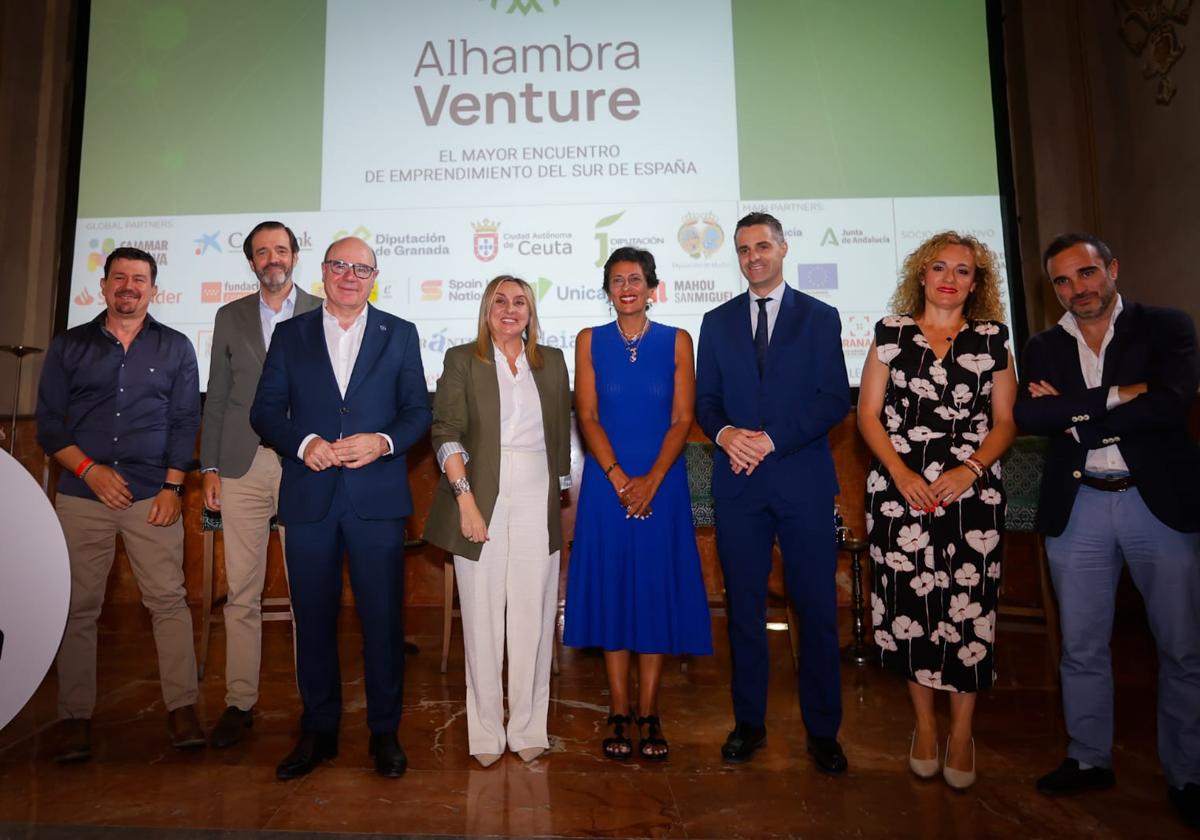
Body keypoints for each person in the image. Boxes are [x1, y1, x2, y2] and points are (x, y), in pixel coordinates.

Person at [1013, 232, 1200, 830]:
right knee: (1083, 646)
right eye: (1063, 282)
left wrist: (1080, 412)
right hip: (1081, 506)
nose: (1077, 290)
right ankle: (1089, 758)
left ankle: (1189, 771)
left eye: (1086, 273)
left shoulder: (1166, 326)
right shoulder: (1043, 344)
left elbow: (1172, 404)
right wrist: (1118, 397)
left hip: (1158, 503)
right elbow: (1032, 414)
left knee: (1182, 648)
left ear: (1112, 269)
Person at [249, 236, 431, 780]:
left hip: (376, 499)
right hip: (310, 497)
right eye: (339, 266)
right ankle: (319, 730)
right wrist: (304, 444)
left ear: (374, 276)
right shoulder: (291, 334)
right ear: (323, 272)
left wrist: (384, 442)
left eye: (361, 268)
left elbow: (418, 411)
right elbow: (264, 410)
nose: (349, 276)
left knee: (382, 621)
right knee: (314, 620)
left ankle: (384, 733)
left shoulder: (399, 333)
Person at [856, 231, 1016, 789]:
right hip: (900, 497)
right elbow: (868, 415)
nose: (950, 277)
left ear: (977, 282)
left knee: (968, 612)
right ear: (921, 275)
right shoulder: (890, 335)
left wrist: (966, 471)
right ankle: (925, 725)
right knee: (910, 612)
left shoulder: (994, 339)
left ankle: (963, 732)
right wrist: (900, 474)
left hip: (973, 496)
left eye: (963, 270)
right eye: (939, 267)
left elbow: (1005, 422)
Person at [695, 212, 851, 773]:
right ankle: (749, 724)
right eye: (743, 249)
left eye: (763, 246)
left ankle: (824, 732)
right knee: (744, 610)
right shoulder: (716, 322)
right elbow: (704, 403)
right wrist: (726, 433)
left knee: (814, 610)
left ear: (783, 248)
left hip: (802, 483)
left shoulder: (820, 316)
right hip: (737, 487)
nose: (753, 256)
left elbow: (835, 398)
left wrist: (772, 440)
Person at [35, 246, 203, 762]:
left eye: (140, 279)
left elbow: (184, 424)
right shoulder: (69, 346)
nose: (129, 286)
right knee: (78, 608)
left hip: (153, 494)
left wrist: (174, 489)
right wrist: (90, 470)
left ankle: (183, 708)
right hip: (83, 494)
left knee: (168, 602)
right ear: (103, 285)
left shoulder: (176, 348)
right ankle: (74, 717)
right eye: (120, 278)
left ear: (154, 289)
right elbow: (49, 426)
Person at [565, 247, 713, 762]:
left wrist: (650, 480)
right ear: (607, 290)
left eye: (635, 279)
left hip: (662, 485)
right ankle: (618, 709)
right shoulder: (589, 341)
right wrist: (618, 477)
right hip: (608, 489)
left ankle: (649, 711)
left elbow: (682, 418)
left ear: (653, 287)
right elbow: (586, 415)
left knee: (651, 592)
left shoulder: (678, 341)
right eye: (616, 280)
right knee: (612, 591)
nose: (626, 287)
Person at [423, 275, 571, 768]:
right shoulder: (463, 359)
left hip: (536, 492)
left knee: (533, 614)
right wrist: (465, 500)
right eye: (501, 301)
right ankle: (486, 732)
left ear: (531, 312)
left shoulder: (551, 364)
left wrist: (559, 494)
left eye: (520, 302)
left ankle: (529, 727)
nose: (511, 309)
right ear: (487, 309)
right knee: (483, 617)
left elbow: (558, 439)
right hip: (478, 491)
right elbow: (444, 430)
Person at [200, 220, 321, 747]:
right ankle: (239, 701)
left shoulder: (323, 311)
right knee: (242, 593)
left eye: (280, 249)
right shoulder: (230, 316)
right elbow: (219, 396)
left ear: (294, 256)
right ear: (251, 262)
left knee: (308, 593)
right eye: (261, 252)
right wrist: (208, 467)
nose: (272, 259)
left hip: (303, 463)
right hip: (240, 466)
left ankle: (313, 703)